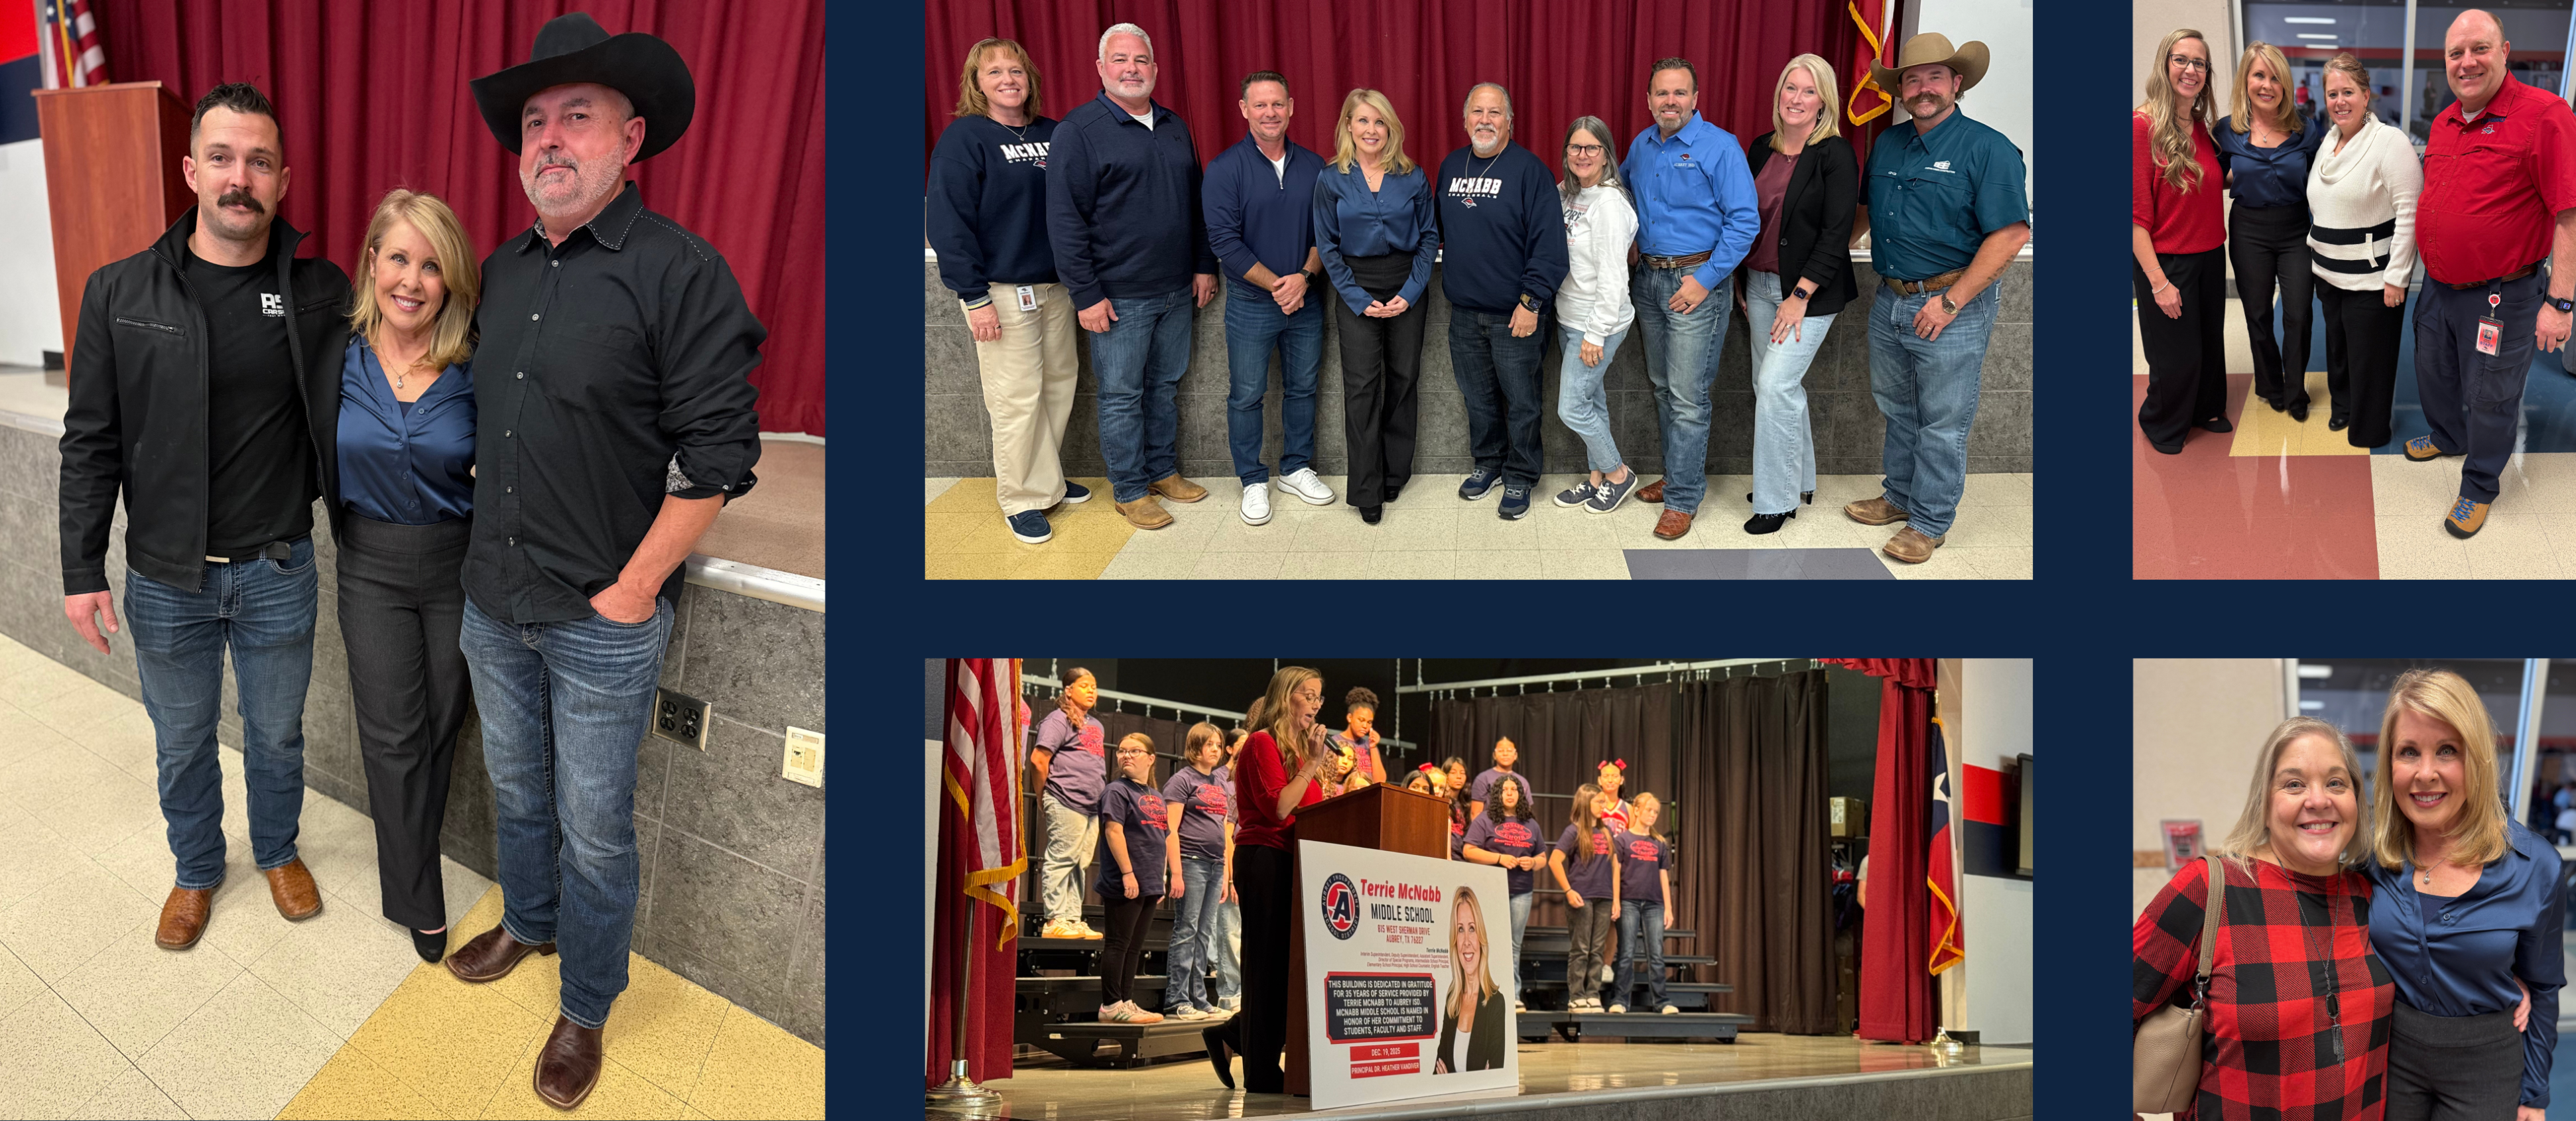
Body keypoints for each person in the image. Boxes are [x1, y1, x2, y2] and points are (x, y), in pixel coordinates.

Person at [449, 15, 765, 1109]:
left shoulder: (680, 272)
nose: (548, 139)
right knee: (515, 792)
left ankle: (584, 1003)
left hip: (600, 621)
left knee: (594, 827)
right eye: (533, 122)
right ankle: (529, 930)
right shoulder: (498, 267)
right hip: (493, 598)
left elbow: (720, 458)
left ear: (630, 138)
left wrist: (633, 591)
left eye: (573, 117)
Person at [60, 82, 347, 953]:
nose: (239, 177)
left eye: (258, 161)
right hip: (164, 576)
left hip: (277, 568)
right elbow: (91, 440)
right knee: (182, 739)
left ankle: (278, 849)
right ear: (190, 170)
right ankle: (195, 866)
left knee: (277, 733)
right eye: (221, 158)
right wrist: (81, 569)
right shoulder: (119, 293)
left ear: (284, 179)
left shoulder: (320, 291)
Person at [336, 188, 481, 963]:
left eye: (432, 266)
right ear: (372, 262)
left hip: (456, 562)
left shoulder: (475, 363)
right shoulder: (337, 353)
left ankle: (409, 860)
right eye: (399, 258)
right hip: (370, 563)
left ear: (451, 280)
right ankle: (416, 892)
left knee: (439, 726)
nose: (412, 281)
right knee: (391, 733)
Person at [2133, 718, 2394, 1118]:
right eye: (2294, 784)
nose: (2319, 800)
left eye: (2337, 783)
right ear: (2265, 804)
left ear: (2357, 800)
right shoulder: (2209, 889)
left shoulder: (2372, 897)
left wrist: (2506, 977)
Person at [1853, 33, 2031, 563]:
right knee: (1898, 408)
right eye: (1912, 78)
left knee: (1942, 420)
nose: (1923, 87)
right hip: (1891, 301)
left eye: (1935, 77)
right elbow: (1865, 213)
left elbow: (2011, 234)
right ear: (1900, 90)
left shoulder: (1988, 147)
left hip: (1951, 306)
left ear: (1957, 83)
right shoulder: (1886, 144)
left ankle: (1929, 522)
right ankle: (1899, 496)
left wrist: (1951, 303)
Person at [2403, 9, 2576, 539]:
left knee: (2490, 393)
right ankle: (2447, 435)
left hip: (2502, 294)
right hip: (2437, 287)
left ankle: (2479, 484)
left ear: (2504, 51)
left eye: (2479, 48)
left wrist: (2561, 303)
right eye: (2456, 53)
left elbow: (2568, 214)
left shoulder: (2546, 115)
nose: (2467, 62)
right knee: (2432, 371)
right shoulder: (2445, 119)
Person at [2361, 670, 2563, 1120]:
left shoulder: (2535, 866)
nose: (2426, 773)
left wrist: (2533, 1094)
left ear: (2477, 760)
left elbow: (2544, 986)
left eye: (2447, 751)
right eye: (2409, 752)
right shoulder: (2372, 859)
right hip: (2393, 1053)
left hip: (2487, 1059)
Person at [1047, 22, 1219, 530]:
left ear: (1155, 69)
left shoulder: (1171, 124)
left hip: (1175, 288)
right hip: (1118, 295)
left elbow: (1195, 204)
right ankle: (1128, 489)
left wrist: (1204, 264)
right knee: (1122, 395)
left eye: (1141, 60)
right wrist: (1086, 294)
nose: (1132, 69)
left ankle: (1161, 471)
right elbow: (1064, 220)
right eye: (1120, 60)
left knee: (1164, 386)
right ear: (1101, 69)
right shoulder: (1078, 131)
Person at [929, 37, 1088, 544]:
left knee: (1059, 386)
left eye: (1015, 71)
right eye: (995, 72)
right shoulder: (965, 139)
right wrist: (973, 297)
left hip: (1057, 287)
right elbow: (948, 222)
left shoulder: (1054, 132)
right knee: (1016, 398)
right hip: (1001, 290)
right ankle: (1021, 498)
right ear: (977, 83)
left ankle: (1048, 483)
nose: (1008, 80)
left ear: (1030, 79)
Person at [1623, 58, 1759, 540]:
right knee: (1663, 388)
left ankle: (1683, 499)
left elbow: (1745, 222)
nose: (1670, 102)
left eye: (1680, 93)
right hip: (1650, 283)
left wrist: (1706, 280)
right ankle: (1679, 476)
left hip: (1697, 284)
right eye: (1662, 94)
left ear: (1696, 98)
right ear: (1649, 100)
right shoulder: (1641, 145)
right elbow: (1619, 197)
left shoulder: (1720, 147)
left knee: (1687, 397)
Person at [1205, 70, 1334, 526]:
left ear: (1291, 107)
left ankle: (1296, 468)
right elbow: (1224, 242)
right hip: (1251, 305)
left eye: (1277, 104)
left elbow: (1327, 234)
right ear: (1244, 110)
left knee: (1302, 389)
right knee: (1247, 395)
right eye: (1259, 105)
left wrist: (1302, 277)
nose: (1269, 113)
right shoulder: (1224, 170)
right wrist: (1279, 285)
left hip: (1307, 300)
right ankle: (1252, 480)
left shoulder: (1317, 166)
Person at [1438, 82, 1569, 522]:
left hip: (1515, 314)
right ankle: (1489, 464)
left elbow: (1550, 247)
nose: (1485, 120)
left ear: (1509, 120)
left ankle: (1521, 473)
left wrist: (1531, 303)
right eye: (1477, 112)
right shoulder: (1451, 166)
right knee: (1478, 399)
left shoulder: (1529, 170)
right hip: (1464, 313)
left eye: (1495, 113)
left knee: (1523, 401)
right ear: (1464, 119)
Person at [1738, 54, 1859, 534]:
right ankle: (1800, 478)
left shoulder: (1835, 153)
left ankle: (1776, 500)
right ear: (1780, 93)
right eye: (1792, 87)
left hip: (1808, 293)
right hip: (1760, 285)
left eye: (1809, 91)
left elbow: (1836, 232)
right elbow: (1747, 221)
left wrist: (1801, 294)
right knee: (1770, 388)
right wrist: (1742, 283)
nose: (1798, 98)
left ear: (1823, 100)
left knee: (1776, 387)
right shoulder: (1759, 149)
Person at [1202, 667, 1331, 1092]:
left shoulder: (1297, 752)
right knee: (1267, 967)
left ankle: (1236, 1035)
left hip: (1298, 863)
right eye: (1307, 695)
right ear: (1285, 696)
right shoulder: (1261, 743)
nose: (1315, 704)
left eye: (1319, 697)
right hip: (1265, 860)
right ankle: (1259, 1070)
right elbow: (1279, 809)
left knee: (1288, 970)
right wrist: (1313, 764)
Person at [1315, 88, 1439, 525]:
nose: (1371, 130)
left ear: (1391, 128)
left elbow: (1428, 237)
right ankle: (1366, 486)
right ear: (1349, 125)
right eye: (1363, 121)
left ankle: (1394, 471)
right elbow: (1327, 246)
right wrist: (1357, 298)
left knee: (1404, 378)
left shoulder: (1413, 176)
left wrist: (1413, 289)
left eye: (1379, 122)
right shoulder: (1331, 179)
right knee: (1362, 387)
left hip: (1408, 281)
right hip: (1355, 283)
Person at [2306, 52, 2420, 448]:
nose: (2340, 101)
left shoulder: (2390, 143)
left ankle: (2369, 427)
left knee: (2370, 358)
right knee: (2338, 348)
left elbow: (2410, 213)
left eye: (2348, 92)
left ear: (2367, 95)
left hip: (2373, 279)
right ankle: (2343, 406)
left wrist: (2397, 277)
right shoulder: (2330, 141)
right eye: (2332, 93)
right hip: (2328, 273)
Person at [2217, 42, 2327, 422]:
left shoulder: (2307, 130)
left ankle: (2295, 390)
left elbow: (2325, 180)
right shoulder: (2227, 131)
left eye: (2275, 77)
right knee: (2258, 312)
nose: (2267, 84)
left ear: (2285, 84)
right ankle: (2268, 384)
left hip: (2297, 229)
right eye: (2259, 75)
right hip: (2249, 229)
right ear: (2246, 80)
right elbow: (2211, 178)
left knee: (2298, 313)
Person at [2133, 29, 2229, 456]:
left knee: (2209, 343)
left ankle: (2205, 409)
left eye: (2200, 63)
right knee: (2176, 355)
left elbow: (2208, 183)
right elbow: (2132, 219)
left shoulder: (2202, 127)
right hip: (2166, 259)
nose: (2191, 70)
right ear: (2164, 64)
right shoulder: (2141, 127)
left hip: (2210, 254)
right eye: (2182, 60)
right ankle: (2161, 421)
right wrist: (2158, 282)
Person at [1549, 115, 1641, 513]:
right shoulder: (1567, 194)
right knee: (1592, 402)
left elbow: (1614, 278)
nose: (1582, 155)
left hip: (1596, 322)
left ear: (1606, 155)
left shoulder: (1609, 204)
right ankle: (1596, 480)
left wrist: (1596, 333)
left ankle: (1619, 474)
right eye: (1575, 148)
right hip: (1567, 315)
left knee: (1571, 407)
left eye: (1591, 148)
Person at [1096, 734, 1171, 1025]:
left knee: (1135, 947)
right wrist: (1128, 873)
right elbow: (1113, 832)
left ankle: (1126, 1000)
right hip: (1126, 879)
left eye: (1134, 751)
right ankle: (1111, 1004)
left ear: (1151, 758)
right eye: (1122, 751)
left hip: (1149, 881)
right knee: (1118, 943)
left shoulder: (1155, 795)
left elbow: (1161, 838)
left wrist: (1160, 879)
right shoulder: (1117, 791)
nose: (1126, 756)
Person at [1028, 670, 1109, 938]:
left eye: (1094, 687)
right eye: (1084, 686)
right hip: (1065, 797)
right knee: (1062, 858)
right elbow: (1039, 760)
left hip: (1091, 805)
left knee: (1080, 862)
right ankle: (1054, 920)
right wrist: (1043, 796)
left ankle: (1072, 918)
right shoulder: (1058, 719)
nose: (1091, 691)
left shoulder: (1096, 725)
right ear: (1068, 690)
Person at [1463, 773, 1543, 1012]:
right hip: (1491, 891)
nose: (1510, 793)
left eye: (1514, 789)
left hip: (1522, 892)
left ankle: (1513, 993)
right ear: (1497, 794)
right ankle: (1486, 994)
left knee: (1514, 945)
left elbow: (1543, 856)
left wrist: (1533, 863)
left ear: (1521, 795)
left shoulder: (1531, 823)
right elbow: (1469, 851)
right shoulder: (1485, 820)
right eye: (1505, 789)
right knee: (1488, 943)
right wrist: (1499, 858)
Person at [1608, 791, 1677, 1015]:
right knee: (1626, 952)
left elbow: (1663, 876)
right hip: (1628, 901)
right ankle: (1620, 1000)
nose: (1652, 814)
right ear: (1636, 810)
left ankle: (1662, 1001)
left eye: (1656, 811)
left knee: (1656, 953)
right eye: (1648, 810)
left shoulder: (1660, 843)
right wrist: (1616, 901)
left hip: (1654, 904)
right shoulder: (1622, 840)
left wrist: (1668, 907)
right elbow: (1616, 872)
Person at [1553, 783, 1618, 1011]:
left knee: (1597, 948)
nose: (1604, 806)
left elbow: (1615, 867)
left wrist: (1616, 899)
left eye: (1604, 802)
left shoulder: (1606, 832)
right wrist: (1569, 890)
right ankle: (1576, 994)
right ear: (1585, 802)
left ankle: (1593, 993)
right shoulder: (1573, 831)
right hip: (1582, 897)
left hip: (1604, 897)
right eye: (1599, 802)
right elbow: (1554, 861)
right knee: (1580, 948)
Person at [1433, 886, 1510, 1073]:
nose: (1466, 941)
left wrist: (1451, 1078)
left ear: (1481, 937)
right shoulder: (1453, 1000)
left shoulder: (1496, 1003)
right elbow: (1437, 1072)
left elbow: (1495, 1075)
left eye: (1472, 929)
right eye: (1460, 930)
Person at [1323, 685, 1390, 783]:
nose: (1365, 725)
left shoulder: (1369, 746)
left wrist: (1373, 747)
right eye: (1361, 720)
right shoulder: (1334, 743)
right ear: (1350, 718)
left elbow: (1380, 781)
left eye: (1369, 722)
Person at [1467, 736, 1520, 819]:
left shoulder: (1522, 782)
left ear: (1516, 755)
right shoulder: (1483, 778)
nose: (1505, 754)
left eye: (1509, 751)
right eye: (1501, 751)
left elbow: (1526, 812)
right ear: (1494, 755)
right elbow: (1476, 814)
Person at [1596, 758, 1633, 832]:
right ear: (1600, 780)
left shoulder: (1629, 809)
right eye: (1606, 776)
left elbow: (1632, 838)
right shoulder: (1593, 806)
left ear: (1622, 780)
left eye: (1615, 776)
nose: (1610, 780)